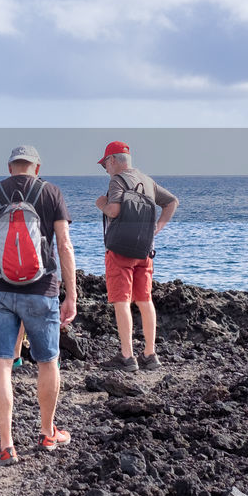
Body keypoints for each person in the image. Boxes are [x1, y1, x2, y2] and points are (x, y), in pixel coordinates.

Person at [0, 145, 77, 466]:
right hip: (42, 290)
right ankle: (47, 433)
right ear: (36, 168)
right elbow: (65, 245)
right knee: (47, 361)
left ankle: (7, 445)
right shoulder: (51, 193)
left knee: (2, 365)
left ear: (10, 167)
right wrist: (72, 295)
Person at [94, 141, 179, 373]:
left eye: (105, 165)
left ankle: (127, 356)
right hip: (144, 249)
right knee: (144, 300)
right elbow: (172, 202)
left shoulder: (117, 181)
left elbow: (114, 211)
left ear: (112, 160)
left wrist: (101, 203)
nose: (106, 169)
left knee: (121, 301)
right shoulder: (147, 181)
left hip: (120, 250)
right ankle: (150, 355)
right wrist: (157, 228)